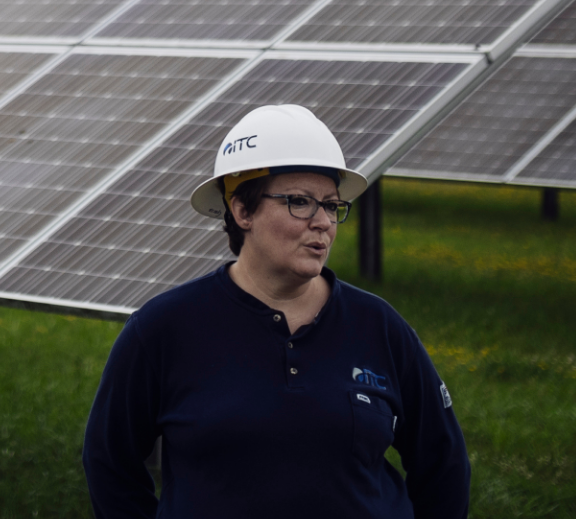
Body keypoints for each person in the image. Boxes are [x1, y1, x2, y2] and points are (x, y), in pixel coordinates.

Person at [83, 104, 469, 518]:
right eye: (300, 202)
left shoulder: (379, 326)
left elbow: (442, 464)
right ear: (242, 210)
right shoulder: (163, 328)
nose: (322, 221)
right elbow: (110, 462)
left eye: (332, 205)